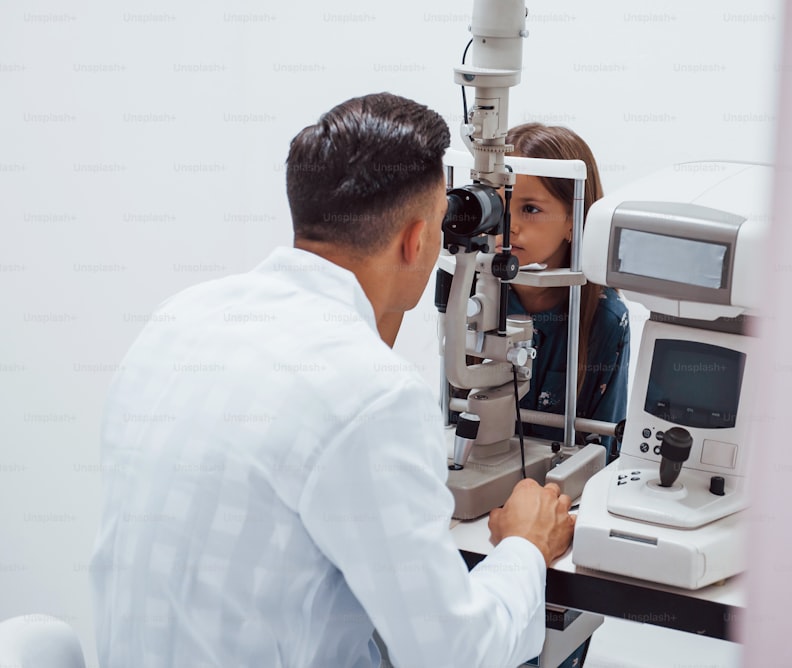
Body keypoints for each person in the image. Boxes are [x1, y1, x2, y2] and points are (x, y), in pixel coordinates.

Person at [90, 92, 575, 668]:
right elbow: (454, 653)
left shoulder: (177, 319)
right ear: (418, 240)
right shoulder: (373, 392)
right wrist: (525, 544)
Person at [501, 123, 631, 458]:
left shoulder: (605, 318)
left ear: (574, 220)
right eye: (500, 204)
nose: (508, 224)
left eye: (530, 209)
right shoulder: (472, 294)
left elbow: (603, 447)